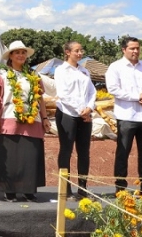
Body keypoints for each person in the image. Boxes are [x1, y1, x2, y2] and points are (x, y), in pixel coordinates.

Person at [0, 40, 51, 202]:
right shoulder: (2, 74)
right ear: (11, 56)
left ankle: (28, 189)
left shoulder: (34, 75)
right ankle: (9, 189)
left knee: (29, 155)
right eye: (17, 53)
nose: (21, 55)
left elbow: (40, 98)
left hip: (32, 120)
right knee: (10, 156)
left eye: (23, 52)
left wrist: (44, 118)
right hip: (9, 117)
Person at [105, 36, 142, 194]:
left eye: (137, 48)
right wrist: (137, 96)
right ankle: (120, 186)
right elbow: (113, 89)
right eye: (132, 48)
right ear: (124, 49)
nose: (136, 51)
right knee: (123, 152)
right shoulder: (115, 67)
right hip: (127, 116)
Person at [54, 41, 96, 200]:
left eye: (81, 50)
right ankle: (65, 189)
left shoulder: (85, 71)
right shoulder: (61, 70)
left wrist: (89, 108)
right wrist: (80, 111)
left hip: (85, 115)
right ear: (67, 52)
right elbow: (63, 94)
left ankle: (83, 189)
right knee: (66, 150)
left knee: (84, 152)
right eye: (76, 51)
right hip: (67, 113)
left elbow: (92, 92)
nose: (80, 53)